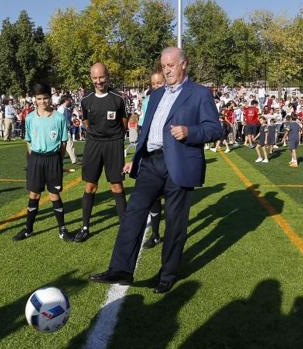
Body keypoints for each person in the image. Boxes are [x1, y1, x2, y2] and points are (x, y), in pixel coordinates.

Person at [88, 47, 221, 293]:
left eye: (171, 65)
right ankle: (121, 269)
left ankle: (167, 275)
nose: (167, 69)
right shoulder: (157, 94)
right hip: (151, 162)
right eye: (163, 65)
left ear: (184, 64)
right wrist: (135, 159)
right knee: (133, 213)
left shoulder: (200, 94)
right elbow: (147, 130)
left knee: (174, 223)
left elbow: (215, 129)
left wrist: (190, 132)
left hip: (179, 164)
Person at [13, 83, 72, 242]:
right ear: (35, 100)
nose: (43, 101)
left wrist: (58, 159)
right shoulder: (30, 117)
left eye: (45, 98)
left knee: (54, 194)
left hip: (53, 159)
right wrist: (32, 158)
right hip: (36, 159)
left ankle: (62, 230)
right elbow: (28, 140)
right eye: (39, 98)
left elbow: (63, 142)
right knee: (34, 194)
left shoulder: (59, 117)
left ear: (50, 98)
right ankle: (28, 229)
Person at [76, 62, 128, 242]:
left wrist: (113, 137)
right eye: (95, 78)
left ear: (108, 76)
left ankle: (125, 228)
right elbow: (85, 121)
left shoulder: (118, 98)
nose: (99, 81)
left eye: (102, 77)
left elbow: (124, 122)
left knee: (117, 186)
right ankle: (84, 227)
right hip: (93, 145)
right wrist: (96, 134)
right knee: (90, 186)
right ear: (91, 78)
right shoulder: (85, 100)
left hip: (114, 144)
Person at [57, 95, 77, 171]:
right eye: (69, 100)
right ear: (65, 100)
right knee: (69, 145)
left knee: (67, 146)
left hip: (65, 129)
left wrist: (71, 124)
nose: (70, 101)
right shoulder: (61, 109)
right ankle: (74, 160)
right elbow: (59, 120)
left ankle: (74, 160)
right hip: (63, 130)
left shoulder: (65, 109)